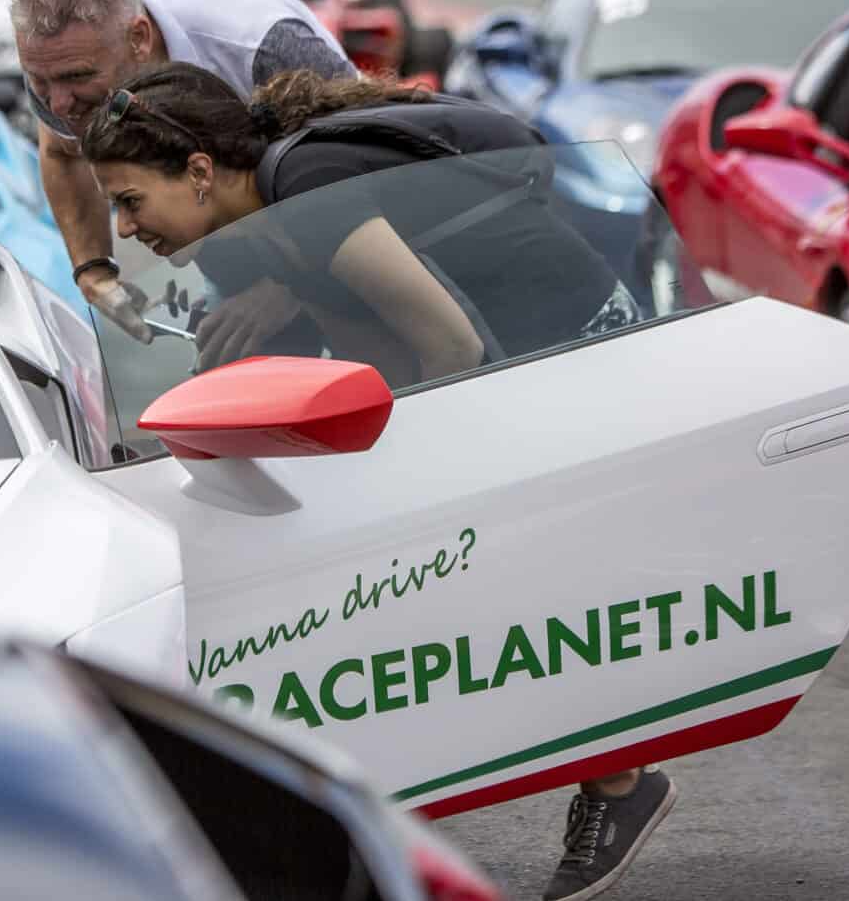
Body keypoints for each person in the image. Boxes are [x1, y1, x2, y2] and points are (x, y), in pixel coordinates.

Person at [77, 63, 668, 901]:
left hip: (580, 356)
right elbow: (376, 352)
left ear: (200, 172)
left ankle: (619, 784)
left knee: (507, 590)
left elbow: (448, 345)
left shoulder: (307, 191)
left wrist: (406, 487)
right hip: (510, 371)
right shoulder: (257, 237)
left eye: (132, 199)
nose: (127, 228)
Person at [9, 0, 352, 341]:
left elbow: (362, 169)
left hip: (338, 223)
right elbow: (61, 151)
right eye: (39, 81)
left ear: (139, 38)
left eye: (77, 77)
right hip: (226, 234)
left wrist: (291, 292)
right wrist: (93, 269)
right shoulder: (55, 63)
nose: (58, 103)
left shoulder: (262, 45)